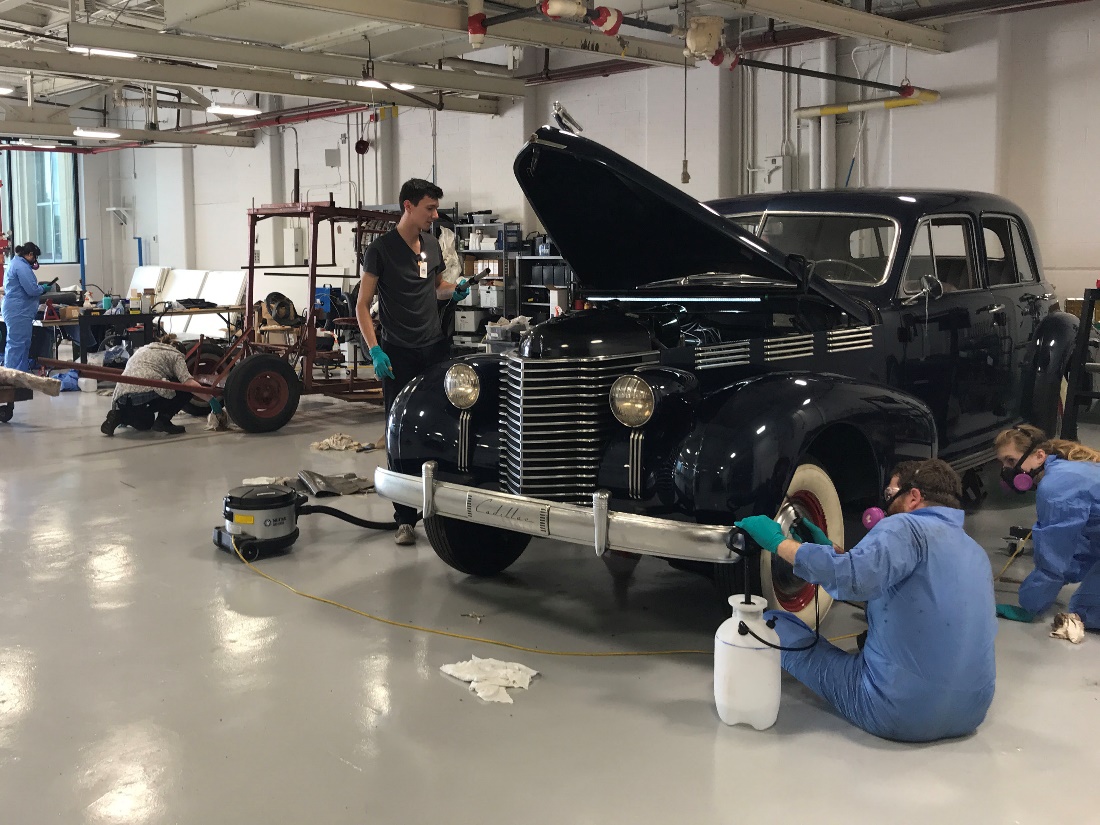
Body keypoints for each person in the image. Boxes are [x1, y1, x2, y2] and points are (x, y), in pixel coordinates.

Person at [735, 459, 997, 742]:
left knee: (772, 623)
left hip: (896, 712)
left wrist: (779, 543)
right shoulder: (975, 551)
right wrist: (830, 550)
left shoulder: (904, 526)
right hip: (971, 713)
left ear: (913, 497)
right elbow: (898, 585)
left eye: (890, 494)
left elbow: (853, 580)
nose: (887, 505)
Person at [356, 178, 469, 546]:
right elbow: (362, 305)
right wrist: (375, 350)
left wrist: (456, 289)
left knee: (442, 427)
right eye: (429, 209)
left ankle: (441, 507)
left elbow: (436, 288)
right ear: (408, 206)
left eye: (436, 209)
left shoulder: (431, 245)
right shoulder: (380, 250)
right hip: (398, 353)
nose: (434, 216)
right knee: (400, 432)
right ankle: (404, 517)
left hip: (434, 349)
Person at [993, 424, 1100, 632]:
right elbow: (1085, 545)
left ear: (1039, 456)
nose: (1007, 470)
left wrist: (1030, 605)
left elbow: (1054, 557)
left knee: (1085, 611)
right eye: (1003, 463)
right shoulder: (1065, 469)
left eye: (1011, 461)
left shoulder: (1056, 487)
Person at [101, 338, 219, 436]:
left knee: (146, 423)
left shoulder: (142, 349)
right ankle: (164, 420)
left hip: (122, 396)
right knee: (183, 387)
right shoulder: (176, 355)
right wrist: (212, 401)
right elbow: (189, 383)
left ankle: (121, 416)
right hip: (145, 391)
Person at [2, 242, 52, 372]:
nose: (35, 260)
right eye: (35, 257)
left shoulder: (16, 263)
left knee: (21, 344)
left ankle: (19, 374)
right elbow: (32, 290)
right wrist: (43, 288)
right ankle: (12, 376)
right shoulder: (21, 267)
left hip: (18, 310)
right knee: (17, 344)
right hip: (18, 311)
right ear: (30, 254)